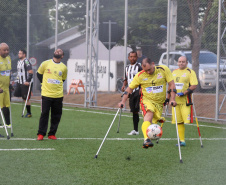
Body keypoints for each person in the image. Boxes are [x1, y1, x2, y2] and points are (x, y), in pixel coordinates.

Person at [118, 58, 177, 149]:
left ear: (153, 63)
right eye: (145, 70)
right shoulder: (140, 75)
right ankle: (146, 140)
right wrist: (122, 101)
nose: (148, 72)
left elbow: (172, 85)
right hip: (146, 100)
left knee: (153, 123)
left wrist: (172, 99)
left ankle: (157, 118)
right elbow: (129, 89)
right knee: (148, 115)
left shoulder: (164, 70)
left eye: (149, 69)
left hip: (159, 102)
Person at [36, 48, 67, 141]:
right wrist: (43, 84)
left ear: (62, 56)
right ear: (54, 53)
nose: (58, 51)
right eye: (56, 50)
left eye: (60, 51)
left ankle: (52, 133)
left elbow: (63, 79)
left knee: (56, 115)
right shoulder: (45, 63)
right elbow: (39, 74)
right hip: (46, 94)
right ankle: (41, 134)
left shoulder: (64, 67)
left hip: (58, 95)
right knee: (44, 114)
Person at [167, 56, 198, 146]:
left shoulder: (190, 72)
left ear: (187, 63)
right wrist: (167, 98)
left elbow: (194, 85)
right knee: (178, 122)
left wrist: (184, 93)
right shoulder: (174, 72)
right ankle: (182, 141)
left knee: (186, 121)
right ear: (177, 62)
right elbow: (170, 86)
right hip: (175, 102)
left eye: (183, 62)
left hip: (185, 101)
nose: (181, 63)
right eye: (179, 61)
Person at [121, 51, 143, 135]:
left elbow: (143, 78)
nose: (132, 58)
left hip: (138, 91)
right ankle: (135, 130)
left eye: (134, 56)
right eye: (131, 56)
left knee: (139, 110)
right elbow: (126, 79)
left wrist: (141, 88)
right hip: (130, 92)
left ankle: (145, 128)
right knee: (134, 111)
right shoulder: (127, 67)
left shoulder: (139, 67)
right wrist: (124, 86)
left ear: (137, 58)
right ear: (128, 58)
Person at [14, 49, 33, 117]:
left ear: (24, 54)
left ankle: (29, 113)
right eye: (18, 53)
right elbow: (19, 73)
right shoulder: (19, 62)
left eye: (20, 53)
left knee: (25, 98)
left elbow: (30, 72)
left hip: (25, 82)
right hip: (19, 82)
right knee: (17, 94)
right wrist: (16, 80)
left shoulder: (26, 61)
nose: (19, 54)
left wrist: (28, 81)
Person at [0, 43, 12, 133]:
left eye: (7, 49)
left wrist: (10, 83)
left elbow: (9, 72)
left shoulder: (8, 58)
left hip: (6, 88)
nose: (6, 51)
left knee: (6, 106)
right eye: (4, 50)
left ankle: (7, 124)